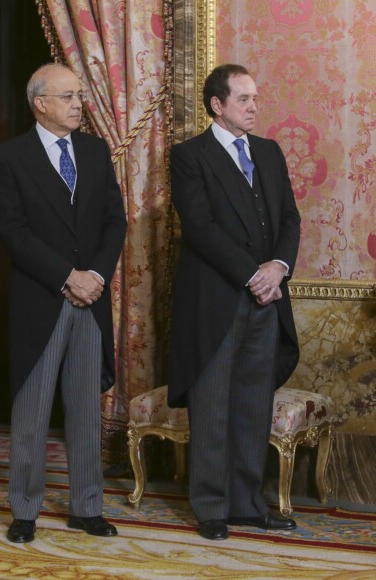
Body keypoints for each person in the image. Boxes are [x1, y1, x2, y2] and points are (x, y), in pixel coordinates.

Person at [0, 63, 126, 544]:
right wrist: (67, 276)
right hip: (41, 299)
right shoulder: (9, 158)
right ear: (40, 102)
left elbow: (115, 221)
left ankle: (87, 507)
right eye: (68, 96)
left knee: (87, 409)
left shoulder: (94, 150)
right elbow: (13, 233)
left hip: (91, 299)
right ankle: (24, 509)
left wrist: (96, 277)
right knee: (32, 411)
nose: (78, 104)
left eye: (81, 95)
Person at [168, 64, 301, 541]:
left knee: (251, 405)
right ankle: (210, 507)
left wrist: (278, 267)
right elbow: (200, 227)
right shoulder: (190, 156)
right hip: (217, 301)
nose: (253, 106)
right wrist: (252, 274)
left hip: (268, 298)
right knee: (213, 404)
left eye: (255, 98)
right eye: (243, 99)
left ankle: (247, 503)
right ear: (216, 105)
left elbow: (289, 217)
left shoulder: (268, 152)